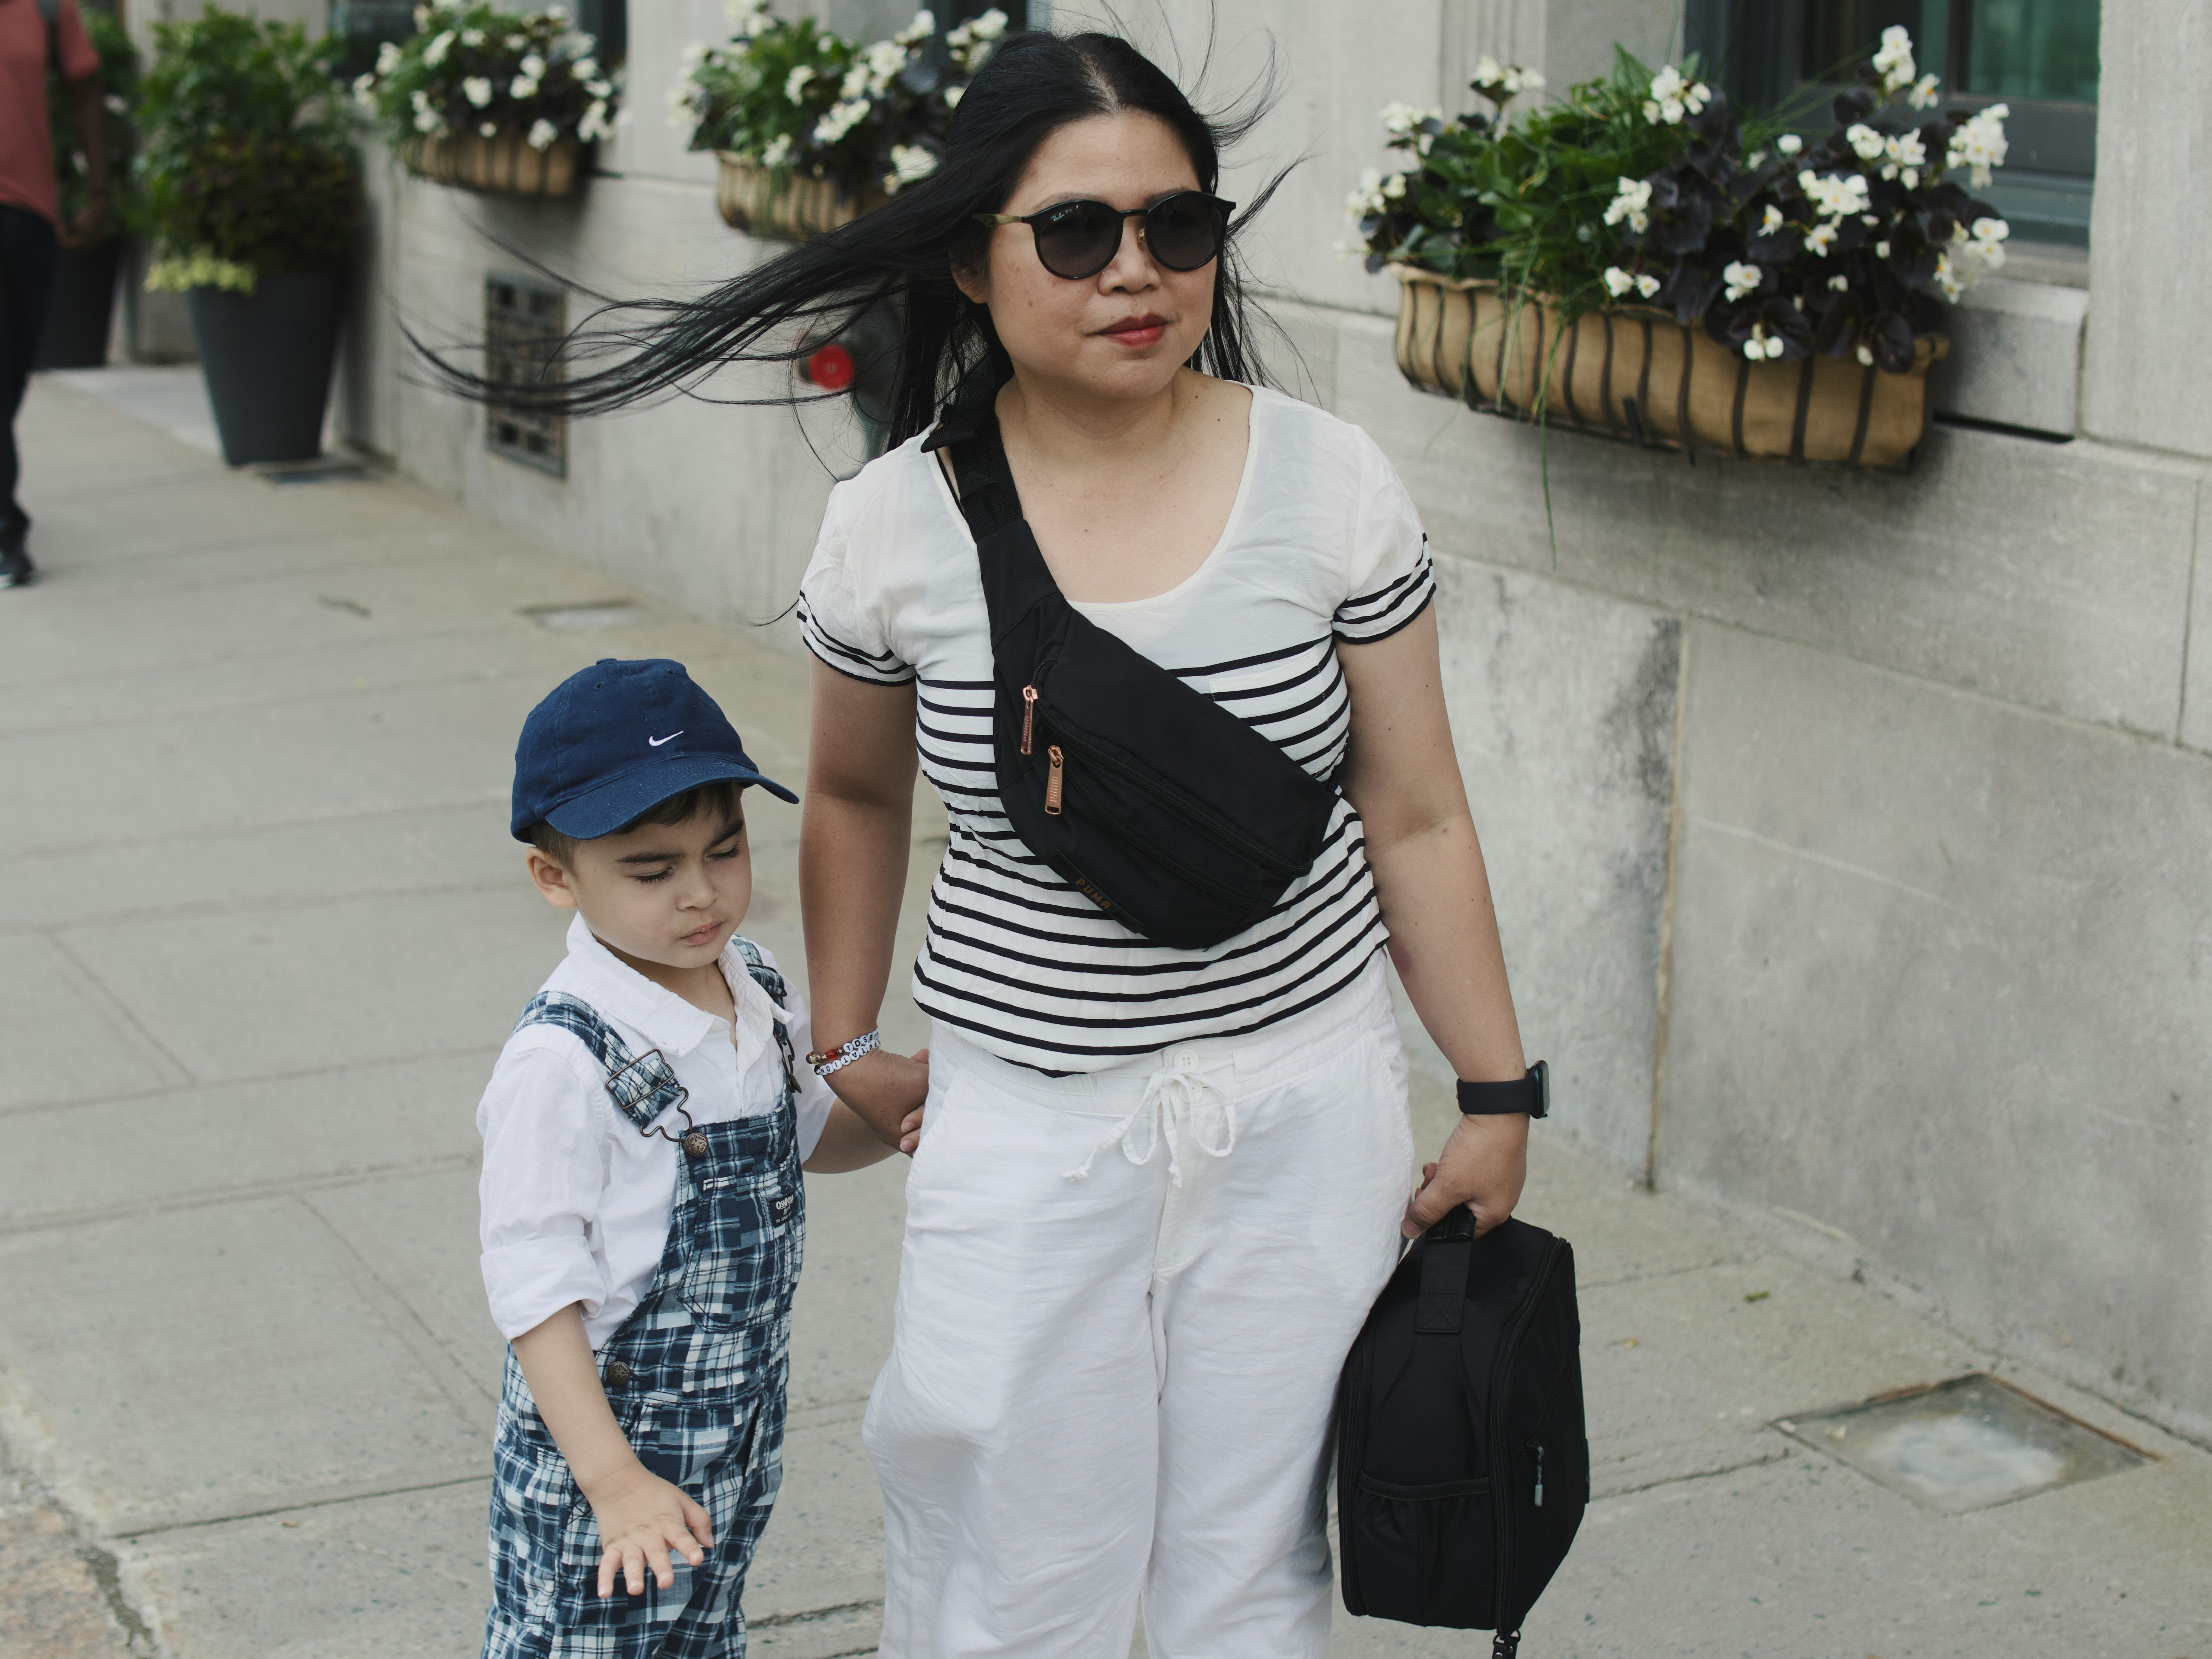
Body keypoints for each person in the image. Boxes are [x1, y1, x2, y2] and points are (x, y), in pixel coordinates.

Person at [421, 29, 1537, 1659]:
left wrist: (1498, 1093)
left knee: (1252, 1564)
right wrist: (850, 1037)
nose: (1136, 273)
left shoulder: (1331, 483)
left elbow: (1417, 806)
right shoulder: (895, 523)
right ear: (973, 256)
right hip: (1021, 1118)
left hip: (1303, 1104)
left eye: (1178, 226)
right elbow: (859, 799)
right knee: (1007, 1560)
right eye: (1077, 233)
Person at [479, 657, 923, 1659]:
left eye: (724, 851)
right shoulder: (564, 1056)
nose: (700, 893)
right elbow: (534, 1287)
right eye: (651, 870)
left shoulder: (750, 983)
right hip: (606, 1445)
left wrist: (909, 1113)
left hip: (735, 1429)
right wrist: (611, 1478)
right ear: (556, 877)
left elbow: (808, 1134)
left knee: (699, 1633)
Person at [2, 0, 108, 589]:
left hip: (29, 213)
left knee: (16, 368)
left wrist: (98, 191)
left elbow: (85, 91)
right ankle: (4, 532)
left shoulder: (47, 8)